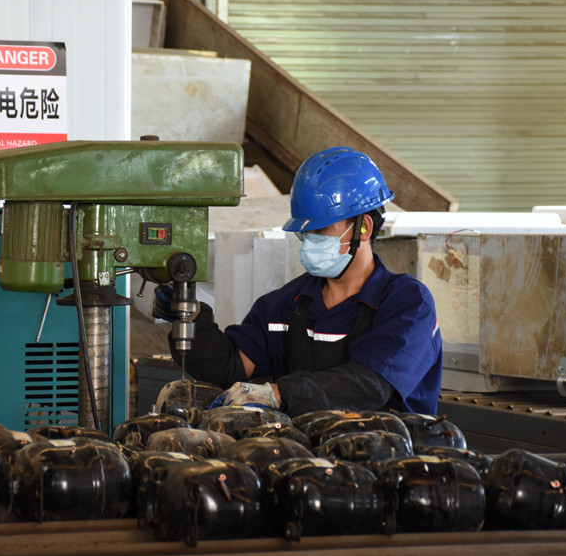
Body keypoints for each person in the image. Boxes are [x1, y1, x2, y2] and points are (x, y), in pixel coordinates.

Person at [153, 146, 442, 417]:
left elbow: (369, 386)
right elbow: (232, 368)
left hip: (389, 460)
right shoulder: (286, 305)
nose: (309, 242)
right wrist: (191, 318)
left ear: (363, 228)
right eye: (305, 233)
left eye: (320, 230)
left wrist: (279, 394)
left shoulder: (408, 304)